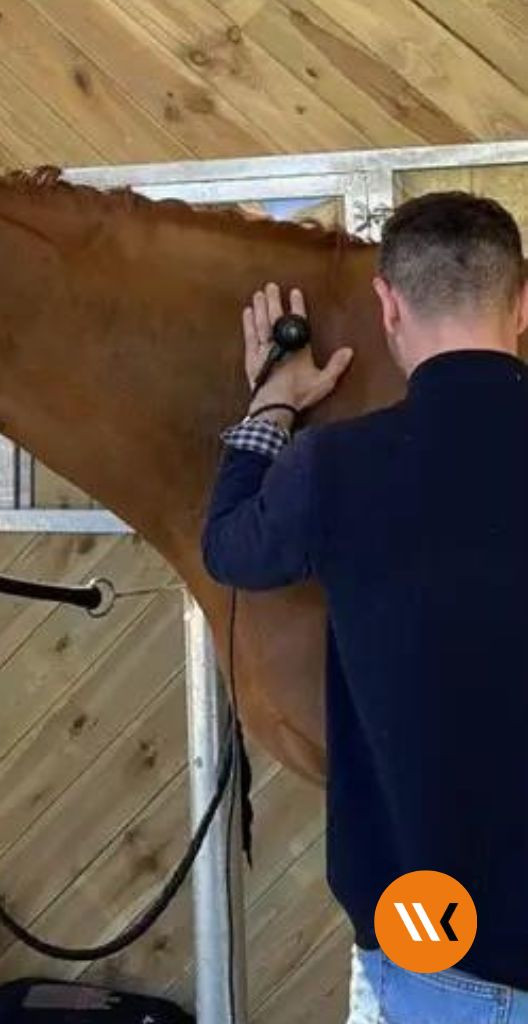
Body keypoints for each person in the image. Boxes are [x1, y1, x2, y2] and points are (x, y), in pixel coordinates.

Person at [202, 192, 528, 1023]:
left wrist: (273, 403)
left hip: (432, 937)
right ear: (523, 303)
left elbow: (230, 549)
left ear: (388, 305)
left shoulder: (337, 466)